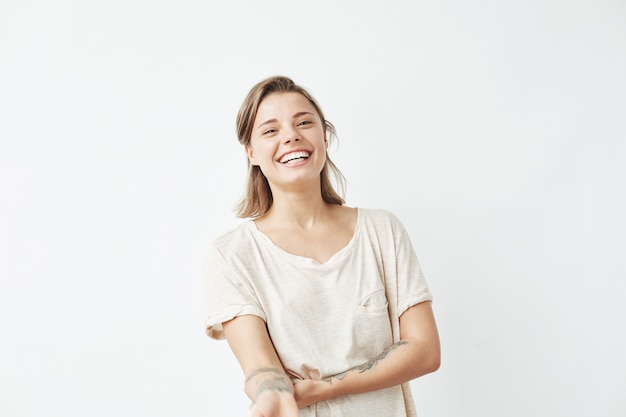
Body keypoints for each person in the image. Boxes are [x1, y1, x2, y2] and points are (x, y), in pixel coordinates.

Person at [204, 76, 440, 417]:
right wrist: (271, 391)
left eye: (303, 122)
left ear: (324, 137)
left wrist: (325, 388)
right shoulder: (232, 254)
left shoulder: (381, 231)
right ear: (251, 153)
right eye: (270, 130)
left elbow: (425, 350)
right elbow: (260, 367)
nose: (290, 135)